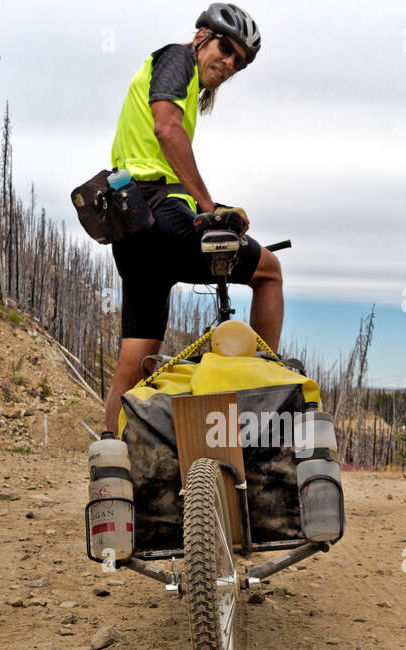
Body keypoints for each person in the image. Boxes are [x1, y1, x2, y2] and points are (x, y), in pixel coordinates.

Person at [102, 3, 283, 433]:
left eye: (239, 61)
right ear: (201, 35)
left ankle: (109, 461)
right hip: (163, 217)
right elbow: (166, 129)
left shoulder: (176, 73)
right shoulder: (176, 58)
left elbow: (158, 146)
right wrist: (209, 208)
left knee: (136, 359)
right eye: (225, 48)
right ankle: (263, 389)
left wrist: (207, 203)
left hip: (133, 227)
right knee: (270, 274)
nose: (229, 62)